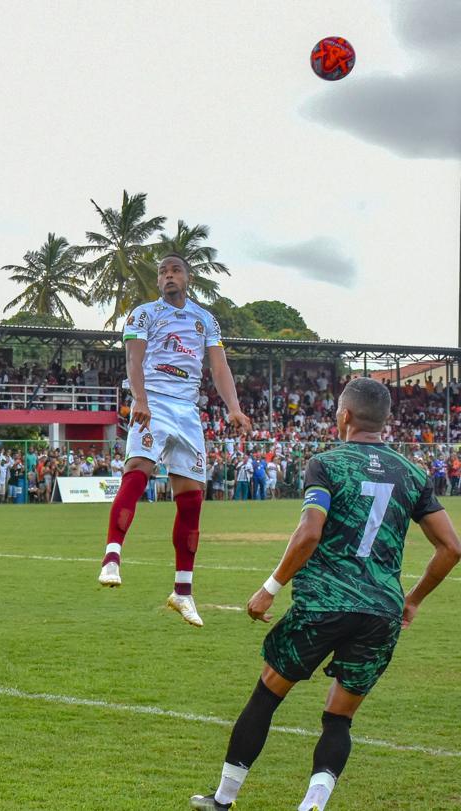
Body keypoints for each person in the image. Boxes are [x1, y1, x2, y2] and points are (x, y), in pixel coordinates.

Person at [190, 378, 461, 811]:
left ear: (345, 416)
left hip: (324, 604)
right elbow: (452, 547)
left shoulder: (327, 464)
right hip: (381, 612)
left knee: (267, 695)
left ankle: (222, 799)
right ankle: (312, 804)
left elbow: (309, 532)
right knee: (339, 718)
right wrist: (412, 599)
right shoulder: (412, 473)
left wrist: (269, 588)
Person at [99, 254, 251, 627]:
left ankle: (183, 592)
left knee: (192, 499)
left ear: (188, 277)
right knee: (138, 469)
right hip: (153, 400)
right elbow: (133, 361)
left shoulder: (205, 320)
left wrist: (234, 407)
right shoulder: (144, 313)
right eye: (163, 272)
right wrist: (140, 399)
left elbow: (218, 366)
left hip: (187, 411)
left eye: (175, 270)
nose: (168, 276)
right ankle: (112, 558)